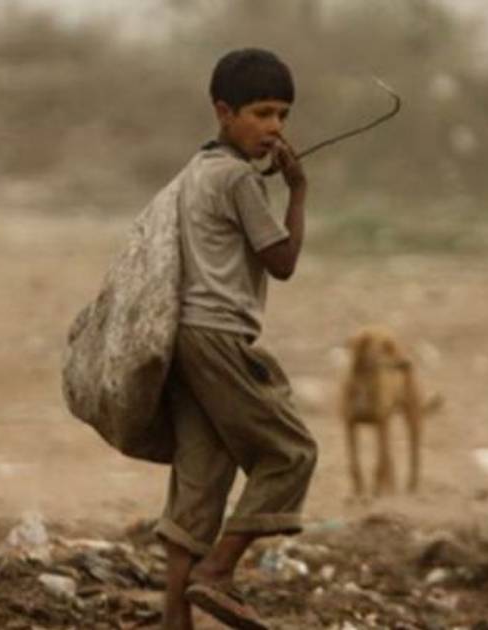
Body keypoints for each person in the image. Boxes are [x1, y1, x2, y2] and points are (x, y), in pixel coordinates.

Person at [155, 47, 318, 630]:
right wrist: (297, 191)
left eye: (283, 115)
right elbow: (283, 261)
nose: (275, 128)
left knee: (201, 478)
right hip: (220, 337)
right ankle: (218, 571)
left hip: (183, 337)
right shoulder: (240, 180)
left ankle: (175, 620)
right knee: (291, 452)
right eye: (262, 113)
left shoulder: (197, 171)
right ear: (224, 112)